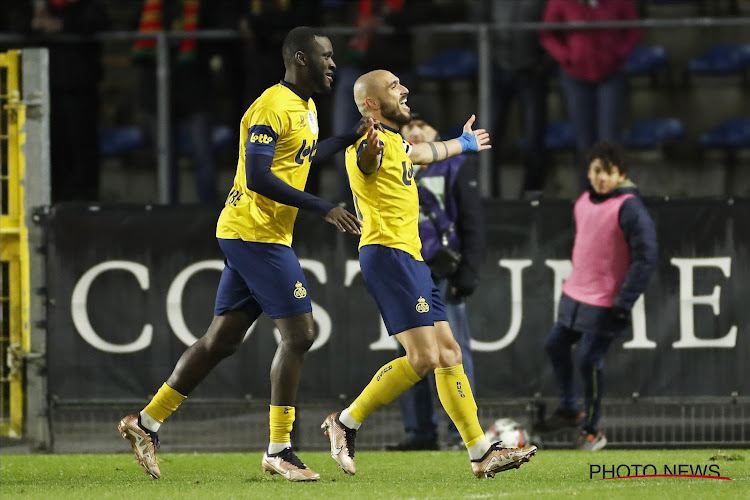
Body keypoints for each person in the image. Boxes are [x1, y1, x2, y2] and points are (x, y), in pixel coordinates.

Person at [118, 26, 368, 482]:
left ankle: (146, 423)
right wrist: (322, 207)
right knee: (300, 334)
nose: (334, 62)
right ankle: (280, 448)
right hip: (255, 234)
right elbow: (257, 176)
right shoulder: (272, 106)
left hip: (256, 232)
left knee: (221, 341)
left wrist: (349, 138)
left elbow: (303, 157)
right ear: (299, 58)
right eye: (325, 55)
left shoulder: (306, 107)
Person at [321, 69, 537, 479]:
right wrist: (368, 148)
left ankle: (479, 451)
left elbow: (421, 154)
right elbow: (370, 159)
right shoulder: (369, 145)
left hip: (410, 259)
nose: (404, 91)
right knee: (423, 358)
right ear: (371, 103)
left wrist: (463, 143)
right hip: (388, 256)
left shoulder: (397, 142)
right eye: (394, 87)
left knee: (449, 353)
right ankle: (346, 422)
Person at [541, 141, 657, 450]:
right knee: (555, 346)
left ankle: (593, 428)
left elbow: (646, 257)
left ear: (621, 175)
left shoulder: (630, 207)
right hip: (575, 296)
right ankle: (569, 409)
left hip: (607, 302)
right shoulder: (582, 201)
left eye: (607, 172)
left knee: (590, 361)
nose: (600, 177)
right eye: (595, 171)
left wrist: (625, 301)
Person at [387, 119, 485, 451]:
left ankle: (461, 435)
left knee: (452, 351)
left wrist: (468, 270)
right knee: (410, 353)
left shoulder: (455, 164)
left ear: (435, 133)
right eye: (410, 126)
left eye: (424, 126)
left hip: (442, 273)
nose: (415, 132)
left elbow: (473, 221)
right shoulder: (392, 160)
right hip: (404, 271)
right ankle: (419, 434)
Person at [539, 0, 641, 187]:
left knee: (610, 139)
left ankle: (614, 196)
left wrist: (619, 53)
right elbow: (547, 34)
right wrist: (566, 56)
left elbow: (634, 29)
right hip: (575, 76)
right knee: (585, 143)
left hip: (611, 74)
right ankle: (586, 198)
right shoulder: (561, 2)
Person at [479, 0, 550, 199]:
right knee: (487, 136)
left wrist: (543, 62)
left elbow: (552, 24)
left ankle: (531, 194)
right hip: (496, 68)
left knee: (533, 137)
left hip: (531, 70)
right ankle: (490, 194)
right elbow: (478, 20)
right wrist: (488, 54)